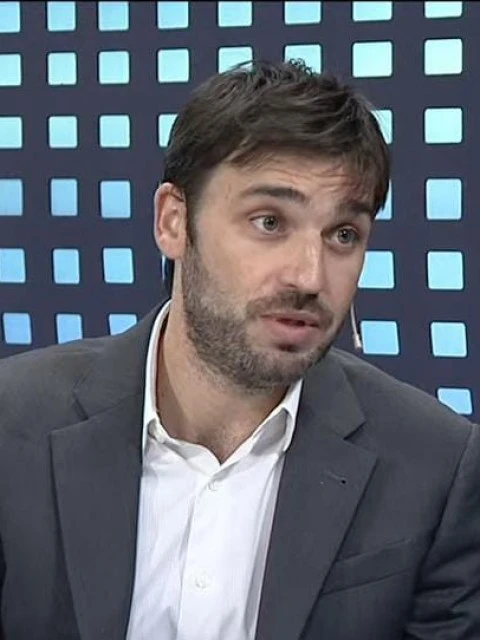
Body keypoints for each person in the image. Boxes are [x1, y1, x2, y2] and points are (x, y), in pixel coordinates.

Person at [0, 59, 479, 640]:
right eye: (269, 222)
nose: (309, 276)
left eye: (343, 235)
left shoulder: (438, 467)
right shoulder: (13, 423)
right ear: (174, 222)